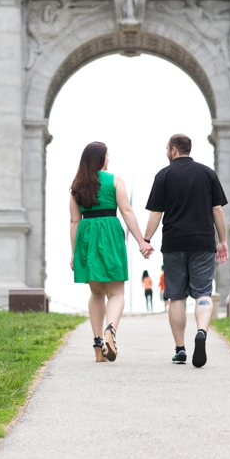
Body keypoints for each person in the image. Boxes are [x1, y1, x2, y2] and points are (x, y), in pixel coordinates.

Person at [143, 134, 229, 368]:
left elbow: (156, 214)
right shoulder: (208, 174)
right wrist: (222, 241)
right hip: (203, 242)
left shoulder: (164, 175)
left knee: (176, 296)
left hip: (174, 243)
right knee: (203, 293)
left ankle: (180, 349)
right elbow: (218, 211)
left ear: (172, 150)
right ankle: (201, 332)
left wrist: (146, 239)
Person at [70, 141, 154, 362]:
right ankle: (110, 330)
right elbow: (126, 212)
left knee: (96, 292)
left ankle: (98, 347)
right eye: (107, 155)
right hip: (110, 234)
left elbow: (73, 222)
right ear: (101, 158)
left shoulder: (76, 186)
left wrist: (74, 253)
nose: (109, 159)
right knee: (116, 293)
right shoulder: (115, 180)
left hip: (87, 237)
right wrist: (141, 242)